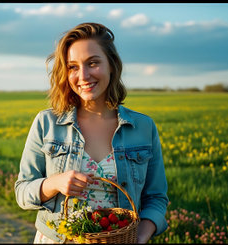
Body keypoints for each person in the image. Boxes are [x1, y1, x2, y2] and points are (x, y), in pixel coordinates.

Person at [14, 22, 168, 244]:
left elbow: (156, 198)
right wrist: (54, 183)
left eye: (93, 63)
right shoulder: (46, 123)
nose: (83, 75)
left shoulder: (143, 127)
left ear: (112, 65)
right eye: (73, 67)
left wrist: (139, 237)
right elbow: (22, 191)